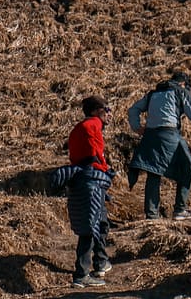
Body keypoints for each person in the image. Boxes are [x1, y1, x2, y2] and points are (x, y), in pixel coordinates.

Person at [127, 72, 191, 220]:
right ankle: (180, 210)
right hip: (170, 134)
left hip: (150, 137)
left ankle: (152, 216)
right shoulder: (181, 91)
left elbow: (133, 109)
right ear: (183, 84)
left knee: (154, 172)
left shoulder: (153, 93)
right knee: (188, 166)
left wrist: (137, 127)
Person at [55, 96, 114, 288]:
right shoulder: (92, 126)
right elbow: (95, 155)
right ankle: (81, 275)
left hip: (81, 180)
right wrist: (104, 169)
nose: (110, 114)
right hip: (91, 182)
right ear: (97, 110)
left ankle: (101, 263)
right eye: (108, 109)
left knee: (101, 222)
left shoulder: (77, 129)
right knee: (91, 226)